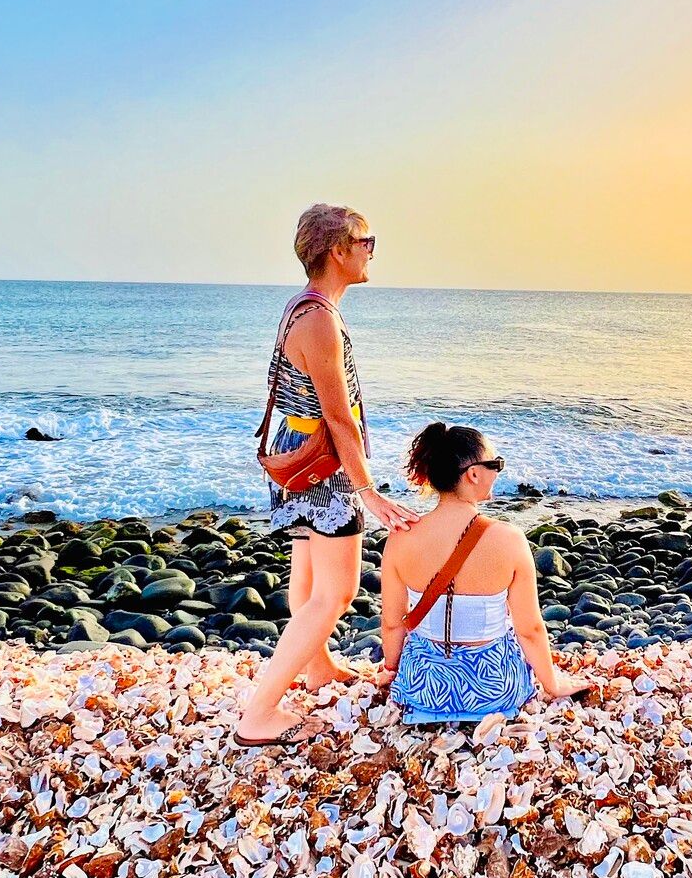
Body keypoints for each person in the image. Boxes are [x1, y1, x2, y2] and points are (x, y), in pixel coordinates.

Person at [235, 203, 419, 746]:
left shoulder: (304, 306)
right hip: (324, 467)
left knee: (309, 580)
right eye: (365, 240)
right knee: (336, 593)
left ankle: (317, 668)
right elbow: (339, 417)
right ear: (337, 251)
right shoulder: (318, 319)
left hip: (298, 456)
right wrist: (369, 491)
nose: (371, 250)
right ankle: (259, 713)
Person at [378, 422, 592, 723]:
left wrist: (392, 670)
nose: (497, 471)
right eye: (496, 464)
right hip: (493, 690)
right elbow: (529, 629)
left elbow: (391, 623)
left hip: (423, 689)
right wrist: (552, 685)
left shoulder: (401, 538)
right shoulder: (509, 539)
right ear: (474, 474)